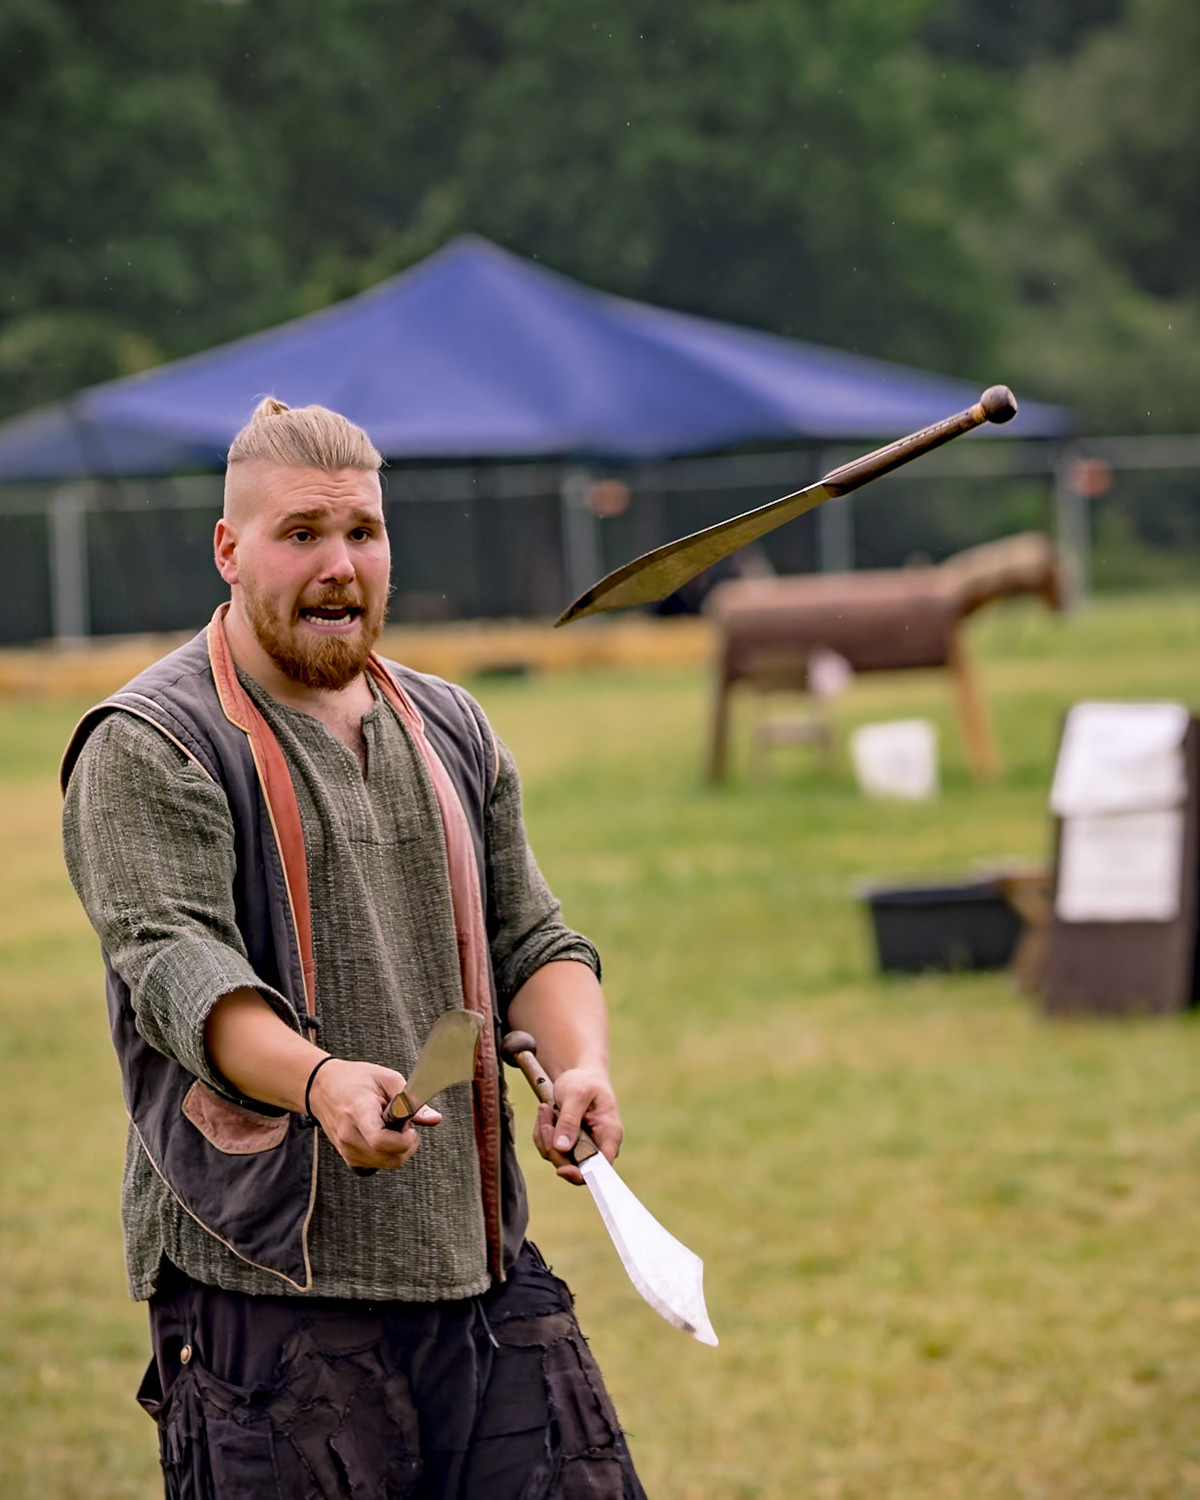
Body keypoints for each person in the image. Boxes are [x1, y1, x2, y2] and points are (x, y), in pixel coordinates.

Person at [61, 398, 647, 1500]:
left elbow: (534, 939)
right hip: (264, 1282)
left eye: (362, 533)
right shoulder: (150, 742)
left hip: (477, 1265)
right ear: (229, 550)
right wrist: (320, 1079)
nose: (339, 565)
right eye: (302, 534)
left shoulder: (453, 725)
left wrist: (583, 1066)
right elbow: (180, 971)